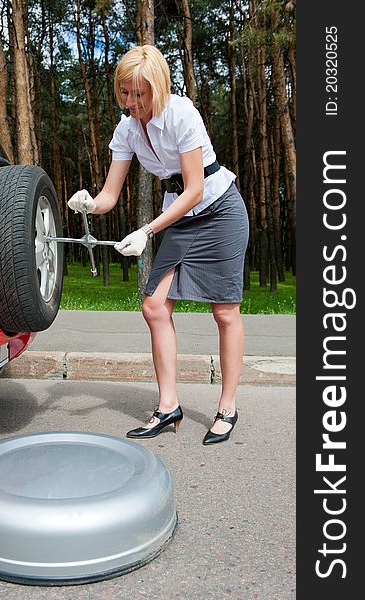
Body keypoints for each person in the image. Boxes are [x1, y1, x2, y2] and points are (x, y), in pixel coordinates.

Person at [68, 45, 249, 445]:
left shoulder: (181, 113)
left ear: (157, 87)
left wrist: (148, 231)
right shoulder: (127, 129)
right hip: (181, 219)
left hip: (218, 211)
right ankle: (169, 406)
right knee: (154, 306)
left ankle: (228, 406)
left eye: (139, 93)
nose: (132, 103)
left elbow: (195, 188)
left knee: (224, 311)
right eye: (125, 93)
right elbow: (109, 196)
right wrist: (88, 203)